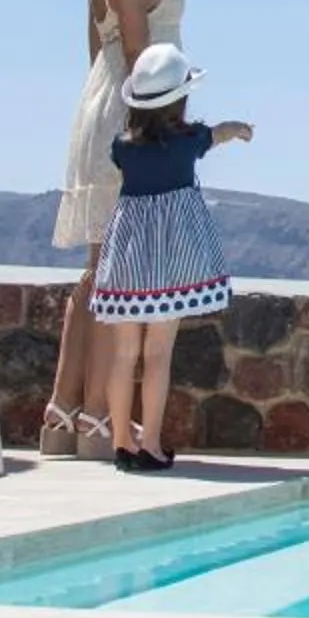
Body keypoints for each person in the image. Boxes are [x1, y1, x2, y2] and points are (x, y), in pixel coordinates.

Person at [41, 0, 214, 460]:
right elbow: (140, 57)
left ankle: (69, 412)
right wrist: (166, 125)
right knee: (108, 274)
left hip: (106, 105)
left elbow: (97, 52)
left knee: (98, 271)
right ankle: (93, 420)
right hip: (135, 110)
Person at [93, 42, 249, 471]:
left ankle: (122, 442)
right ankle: (152, 444)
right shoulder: (188, 142)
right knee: (158, 353)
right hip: (172, 263)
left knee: (125, 354)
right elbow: (213, 136)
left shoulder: (123, 148)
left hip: (128, 259)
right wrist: (236, 128)